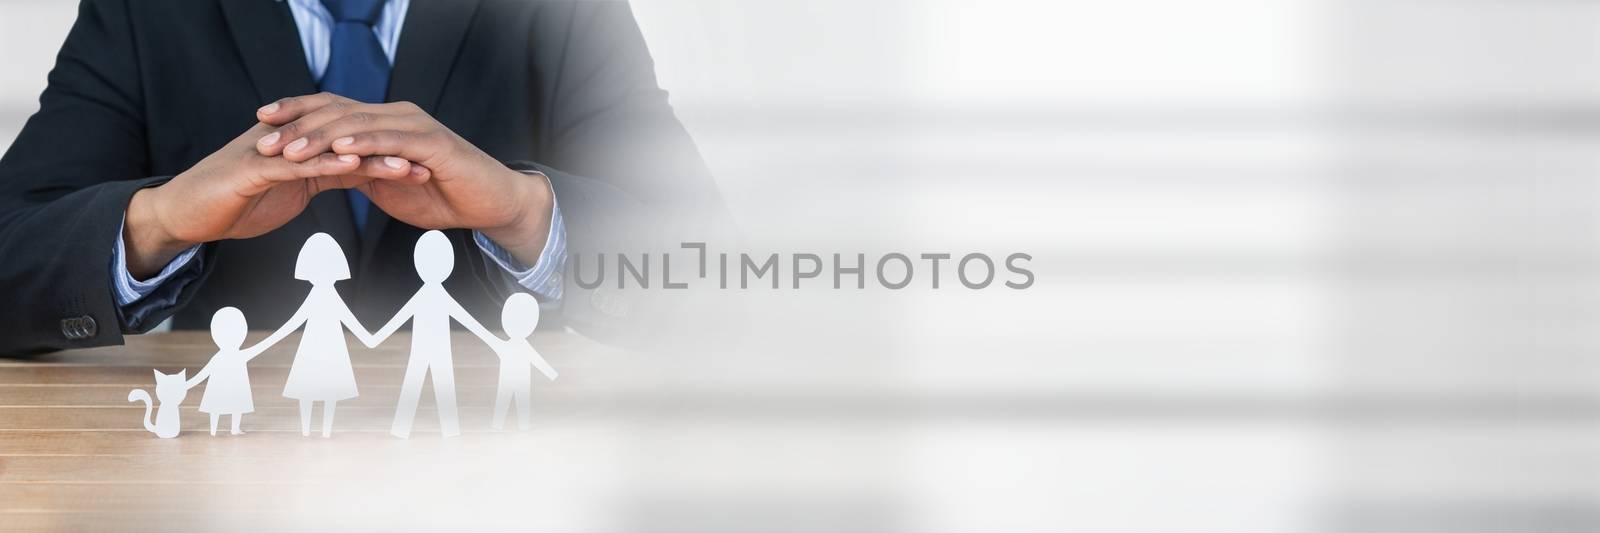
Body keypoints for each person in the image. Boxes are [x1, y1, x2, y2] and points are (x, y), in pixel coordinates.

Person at [0, 0, 727, 354]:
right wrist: (158, 221)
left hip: (503, 472)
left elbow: (721, 281)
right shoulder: (147, 11)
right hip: (233, 475)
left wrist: (527, 212)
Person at [369, 230, 496, 438]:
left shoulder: (434, 296)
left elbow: (467, 320)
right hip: (423, 350)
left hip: (438, 350)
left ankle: (440, 428)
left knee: (438, 383)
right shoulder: (427, 296)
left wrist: (375, 338)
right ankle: (413, 428)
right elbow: (401, 317)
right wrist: (376, 337)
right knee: (420, 382)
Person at [273, 233, 379, 437]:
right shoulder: (319, 295)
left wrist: (370, 339)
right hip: (313, 347)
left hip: (331, 347)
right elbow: (295, 321)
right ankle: (307, 430)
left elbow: (348, 319)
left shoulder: (329, 296)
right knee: (308, 388)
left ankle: (325, 431)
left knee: (329, 390)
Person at [186, 306, 295, 436]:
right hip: (219, 388)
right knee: (219, 406)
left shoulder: (236, 356)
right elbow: (203, 374)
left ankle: (233, 429)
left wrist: (280, 334)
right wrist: (186, 384)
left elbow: (264, 345)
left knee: (235, 405)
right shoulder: (222, 357)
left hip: (234, 387)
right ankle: (215, 430)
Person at [479, 292, 558, 431]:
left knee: (516, 401)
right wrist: (551, 374)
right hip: (514, 380)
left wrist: (551, 374)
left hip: (518, 380)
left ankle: (508, 425)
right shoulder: (514, 346)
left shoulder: (512, 346)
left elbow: (536, 359)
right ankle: (508, 425)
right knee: (511, 401)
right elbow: (536, 359)